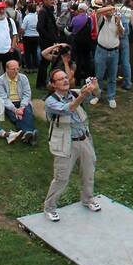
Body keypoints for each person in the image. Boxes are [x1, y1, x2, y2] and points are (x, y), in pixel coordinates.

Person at [39, 69, 101, 220]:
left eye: (66, 77)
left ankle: (88, 199)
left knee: (88, 172)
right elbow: (69, 108)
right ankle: (49, 207)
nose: (65, 80)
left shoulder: (74, 92)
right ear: (53, 84)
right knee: (61, 178)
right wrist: (83, 95)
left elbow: (96, 94)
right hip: (65, 144)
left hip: (84, 139)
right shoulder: (50, 101)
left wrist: (95, 86)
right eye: (60, 79)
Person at [0, 57, 37, 143]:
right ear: (6, 69)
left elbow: (27, 94)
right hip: (9, 103)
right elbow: (3, 98)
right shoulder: (0, 81)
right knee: (15, 116)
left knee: (27, 112)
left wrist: (22, 107)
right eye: (13, 69)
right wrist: (15, 110)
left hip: (22, 101)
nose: (16, 71)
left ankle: (27, 133)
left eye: (17, 68)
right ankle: (30, 133)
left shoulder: (23, 77)